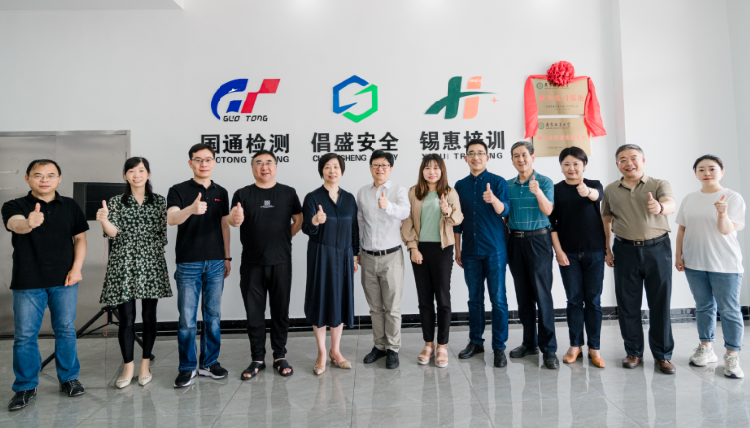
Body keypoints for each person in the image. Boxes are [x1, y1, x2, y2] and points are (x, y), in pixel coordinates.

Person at [3, 160, 89, 410]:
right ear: (27, 178)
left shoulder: (70, 205)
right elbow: (14, 224)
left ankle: (69, 378)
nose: (44, 180)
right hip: (28, 280)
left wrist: (76, 269)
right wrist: (28, 223)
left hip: (65, 280)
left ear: (59, 179)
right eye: (38, 175)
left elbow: (80, 239)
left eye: (51, 175)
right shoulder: (15, 205)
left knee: (65, 330)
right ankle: (25, 386)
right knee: (25, 335)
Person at [96, 157, 172, 388]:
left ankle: (145, 364)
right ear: (125, 175)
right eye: (131, 171)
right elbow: (112, 233)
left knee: (149, 316)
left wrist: (148, 255)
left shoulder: (159, 201)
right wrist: (104, 221)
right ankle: (128, 366)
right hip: (124, 261)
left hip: (151, 261)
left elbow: (161, 235)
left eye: (141, 170)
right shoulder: (116, 201)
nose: (136, 175)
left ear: (148, 174)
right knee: (127, 318)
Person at [228, 150, 303, 379]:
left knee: (280, 312)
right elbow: (233, 220)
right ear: (252, 168)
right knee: (254, 313)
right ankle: (257, 358)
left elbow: (299, 220)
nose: (264, 167)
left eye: (269, 162)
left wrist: (284, 236)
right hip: (252, 263)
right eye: (259, 163)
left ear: (276, 167)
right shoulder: (242, 194)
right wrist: (234, 219)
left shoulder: (288, 193)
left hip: (281, 262)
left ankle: (279, 356)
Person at [602, 144, 677, 374]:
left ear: (642, 161)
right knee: (628, 304)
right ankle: (633, 352)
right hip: (625, 250)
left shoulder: (658, 184)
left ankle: (662, 355)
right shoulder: (611, 189)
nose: (629, 163)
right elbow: (606, 219)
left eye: (633, 158)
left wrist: (660, 206)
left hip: (657, 249)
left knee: (660, 303)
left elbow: (671, 205)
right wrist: (607, 248)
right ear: (618, 165)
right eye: (623, 160)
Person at [167, 143, 231, 388]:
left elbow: (224, 225)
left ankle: (209, 363)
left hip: (216, 262)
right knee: (187, 319)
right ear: (190, 163)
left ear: (214, 162)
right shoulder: (178, 190)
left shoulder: (221, 191)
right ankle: (187, 367)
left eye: (208, 159)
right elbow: (172, 218)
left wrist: (227, 257)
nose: (203, 164)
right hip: (188, 262)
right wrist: (191, 210)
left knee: (213, 316)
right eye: (198, 159)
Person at [675, 155, 745, 378]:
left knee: (729, 310)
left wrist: (722, 213)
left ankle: (732, 355)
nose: (707, 173)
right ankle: (706, 348)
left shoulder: (732, 197)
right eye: (701, 169)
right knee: (703, 306)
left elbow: (726, 230)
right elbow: (682, 229)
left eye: (712, 168)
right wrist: (678, 255)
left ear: (721, 172)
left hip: (725, 263)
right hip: (695, 262)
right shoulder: (690, 198)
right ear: (696, 173)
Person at [453, 139, 511, 368]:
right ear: (465, 158)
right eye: (471, 153)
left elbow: (504, 211)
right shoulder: (460, 185)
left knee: (498, 300)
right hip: (470, 251)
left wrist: (493, 199)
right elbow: (457, 221)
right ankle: (476, 342)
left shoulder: (497, 182)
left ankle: (499, 346)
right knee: (474, 299)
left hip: (495, 251)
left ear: (487, 157)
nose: (476, 157)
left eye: (480, 153)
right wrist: (457, 248)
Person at [402, 154, 463, 367]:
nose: (432, 172)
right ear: (422, 171)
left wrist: (447, 211)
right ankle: (428, 344)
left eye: (436, 168)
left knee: (443, 299)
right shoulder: (413, 192)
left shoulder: (449, 192)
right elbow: (407, 221)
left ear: (442, 170)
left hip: (443, 249)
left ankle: (442, 345)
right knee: (425, 300)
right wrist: (413, 247)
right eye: (427, 168)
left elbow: (458, 218)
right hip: (420, 250)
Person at [548, 147, 606, 368]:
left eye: (576, 164)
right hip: (568, 253)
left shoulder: (594, 184)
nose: (571, 168)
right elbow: (552, 224)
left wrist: (586, 191)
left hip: (594, 251)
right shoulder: (555, 190)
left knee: (593, 301)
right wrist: (559, 251)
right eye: (566, 164)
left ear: (584, 165)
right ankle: (575, 345)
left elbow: (597, 196)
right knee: (573, 300)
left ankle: (595, 347)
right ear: (561, 166)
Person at [302, 153, 360, 375]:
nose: (332, 171)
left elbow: (354, 229)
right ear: (322, 171)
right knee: (321, 301)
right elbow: (306, 228)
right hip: (321, 255)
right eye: (327, 167)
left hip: (345, 255)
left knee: (340, 301)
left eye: (336, 166)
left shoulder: (350, 199)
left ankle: (336, 351)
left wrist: (355, 256)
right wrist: (315, 221)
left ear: (342, 171)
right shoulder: (312, 197)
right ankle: (321, 353)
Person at [506, 141, 559, 369]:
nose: (521, 159)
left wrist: (537, 192)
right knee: (523, 296)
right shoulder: (507, 185)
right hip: (515, 241)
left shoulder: (545, 182)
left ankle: (549, 349)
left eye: (524, 155)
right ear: (512, 160)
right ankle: (529, 343)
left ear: (533, 157)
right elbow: (506, 216)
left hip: (538, 241)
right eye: (516, 156)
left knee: (542, 295)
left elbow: (548, 210)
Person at [356, 150, 410, 369]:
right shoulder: (362, 192)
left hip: (391, 257)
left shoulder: (398, 190)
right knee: (375, 307)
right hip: (368, 256)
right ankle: (379, 345)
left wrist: (388, 206)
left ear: (391, 168)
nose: (380, 169)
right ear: (370, 168)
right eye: (376, 165)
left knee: (392, 307)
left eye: (384, 165)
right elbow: (360, 223)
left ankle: (393, 348)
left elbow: (405, 212)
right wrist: (358, 250)